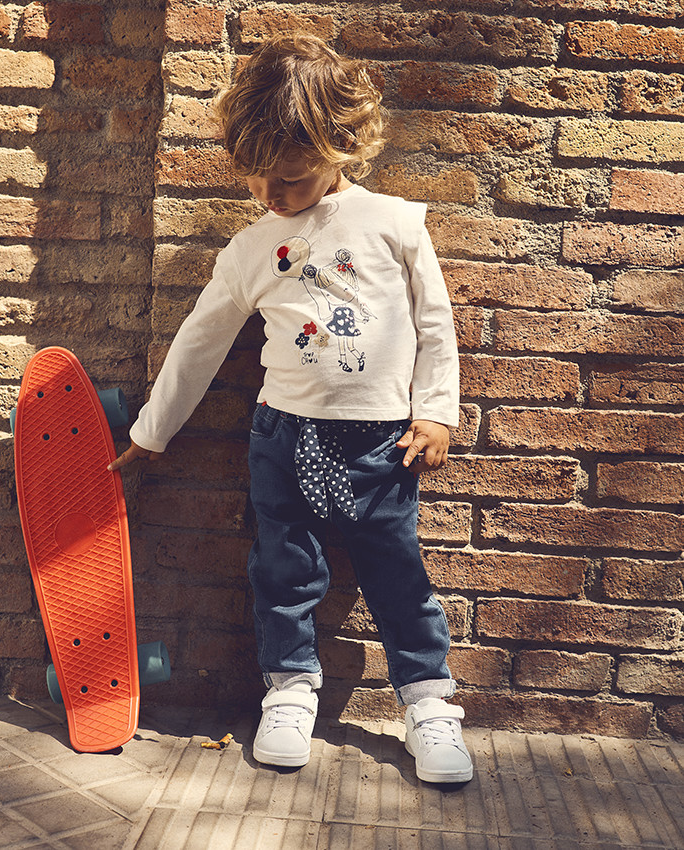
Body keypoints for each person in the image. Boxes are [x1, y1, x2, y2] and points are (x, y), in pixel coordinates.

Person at [111, 34, 473, 784]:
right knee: (283, 570)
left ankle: (430, 704)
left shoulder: (395, 224)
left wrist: (437, 412)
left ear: (342, 147)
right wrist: (152, 431)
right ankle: (289, 690)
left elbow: (435, 325)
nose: (271, 195)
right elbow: (200, 341)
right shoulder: (251, 248)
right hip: (284, 436)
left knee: (396, 573)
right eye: (256, 178)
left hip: (384, 443)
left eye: (291, 177)